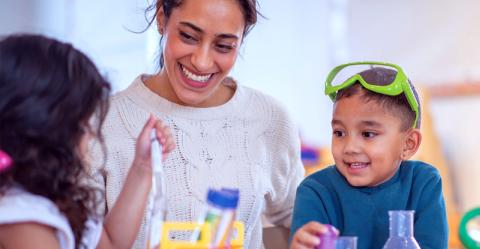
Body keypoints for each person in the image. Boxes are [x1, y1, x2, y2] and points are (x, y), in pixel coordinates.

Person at [87, 0, 305, 248]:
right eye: (189, 36)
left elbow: (300, 221)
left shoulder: (270, 119)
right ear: (161, 17)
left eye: (224, 46)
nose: (202, 62)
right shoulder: (99, 122)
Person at [0, 34, 175, 249]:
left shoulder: (49, 196)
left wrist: (142, 166)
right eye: (84, 126)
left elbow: (111, 244)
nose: (91, 135)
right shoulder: (22, 219)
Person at [289, 62, 448, 249]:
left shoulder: (422, 183)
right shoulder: (315, 191)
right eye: (339, 133)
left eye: (368, 134)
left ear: (408, 144)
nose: (350, 147)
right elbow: (308, 241)